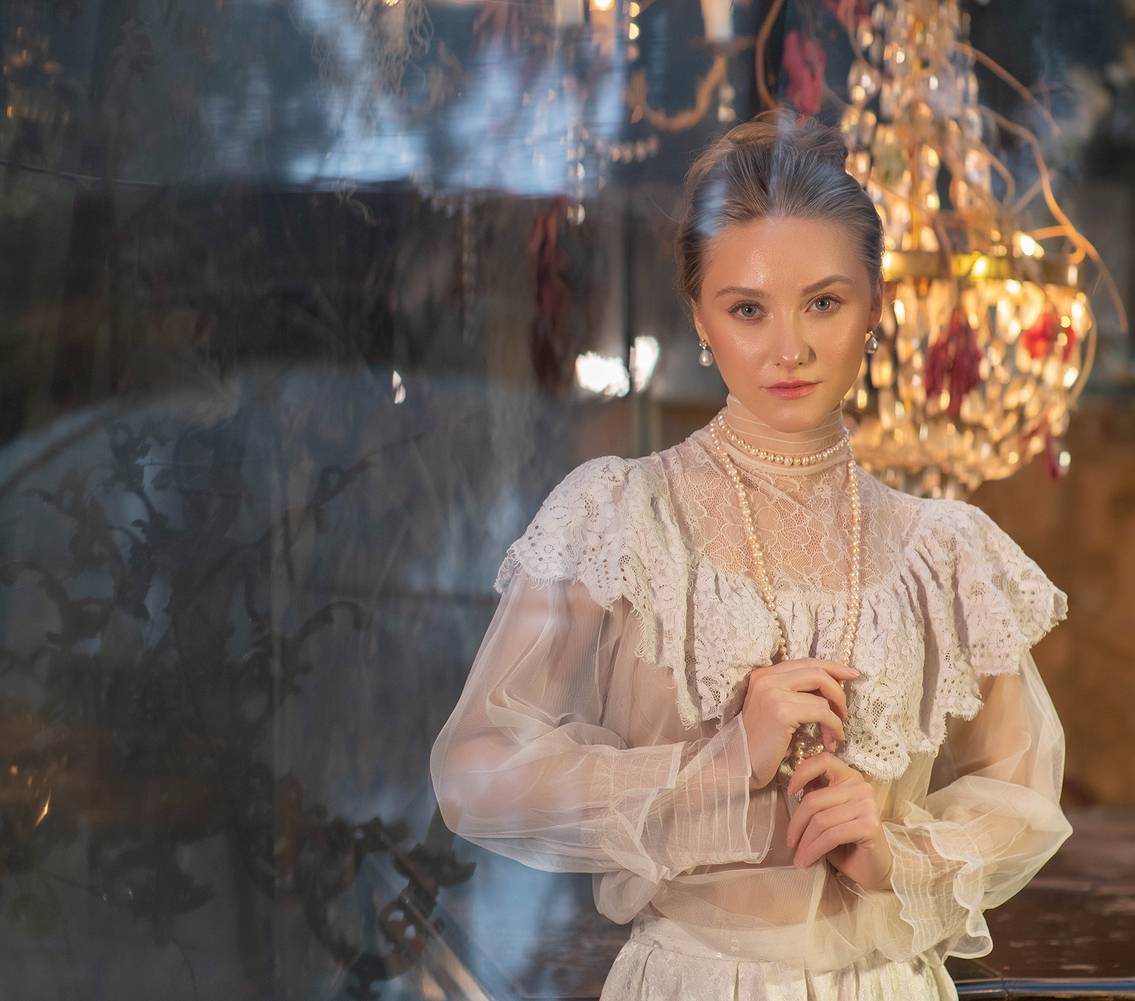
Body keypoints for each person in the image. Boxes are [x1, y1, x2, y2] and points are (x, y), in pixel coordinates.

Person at [429, 108, 1072, 1001]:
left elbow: (1022, 791)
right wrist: (724, 764)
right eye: (747, 309)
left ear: (876, 305)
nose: (790, 349)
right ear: (700, 316)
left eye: (824, 302)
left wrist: (900, 853)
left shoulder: (945, 551)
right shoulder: (620, 518)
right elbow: (478, 772)